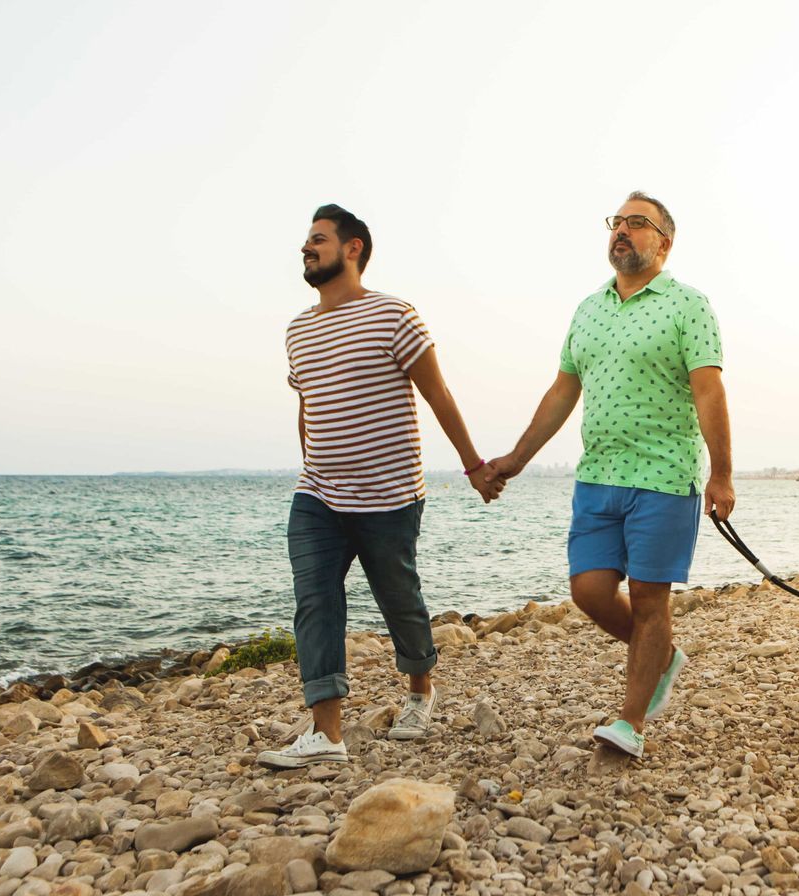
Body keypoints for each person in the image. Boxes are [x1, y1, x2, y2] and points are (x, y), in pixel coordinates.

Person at [258, 204, 504, 768]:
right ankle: (327, 733)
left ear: (353, 249)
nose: (306, 248)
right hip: (318, 494)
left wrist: (473, 466)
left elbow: (437, 394)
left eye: (318, 239)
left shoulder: (395, 315)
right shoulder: (298, 330)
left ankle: (421, 690)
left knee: (399, 598)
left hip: (390, 495)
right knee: (315, 600)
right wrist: (312, 463)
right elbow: (308, 405)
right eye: (306, 240)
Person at [489, 191, 732, 758]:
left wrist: (721, 475)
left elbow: (709, 392)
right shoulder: (588, 309)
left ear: (664, 243)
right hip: (598, 475)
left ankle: (631, 722)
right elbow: (562, 392)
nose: (621, 230)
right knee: (589, 591)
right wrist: (516, 459)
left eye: (636, 222)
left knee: (649, 599)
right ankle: (661, 656)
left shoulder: (688, 305)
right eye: (616, 221)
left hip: (665, 476)